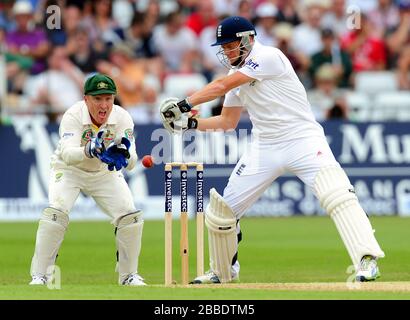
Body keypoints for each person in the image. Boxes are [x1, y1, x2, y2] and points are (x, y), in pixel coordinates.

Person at [159, 16, 385, 284]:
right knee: (222, 212)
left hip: (303, 139)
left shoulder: (268, 56)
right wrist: (190, 123)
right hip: (265, 146)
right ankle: (222, 272)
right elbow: (227, 122)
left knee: (335, 192)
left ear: (248, 40)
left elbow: (220, 86)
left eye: (232, 45)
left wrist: (184, 104)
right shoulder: (236, 76)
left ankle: (367, 260)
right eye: (224, 47)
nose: (227, 51)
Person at [29, 74, 146, 286]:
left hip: (104, 173)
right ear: (86, 99)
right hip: (69, 171)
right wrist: (89, 150)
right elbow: (67, 154)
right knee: (56, 212)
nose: (104, 105)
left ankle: (128, 276)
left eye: (108, 99)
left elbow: (132, 162)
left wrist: (125, 154)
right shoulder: (73, 115)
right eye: (98, 99)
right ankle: (40, 276)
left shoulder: (122, 117)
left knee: (130, 216)